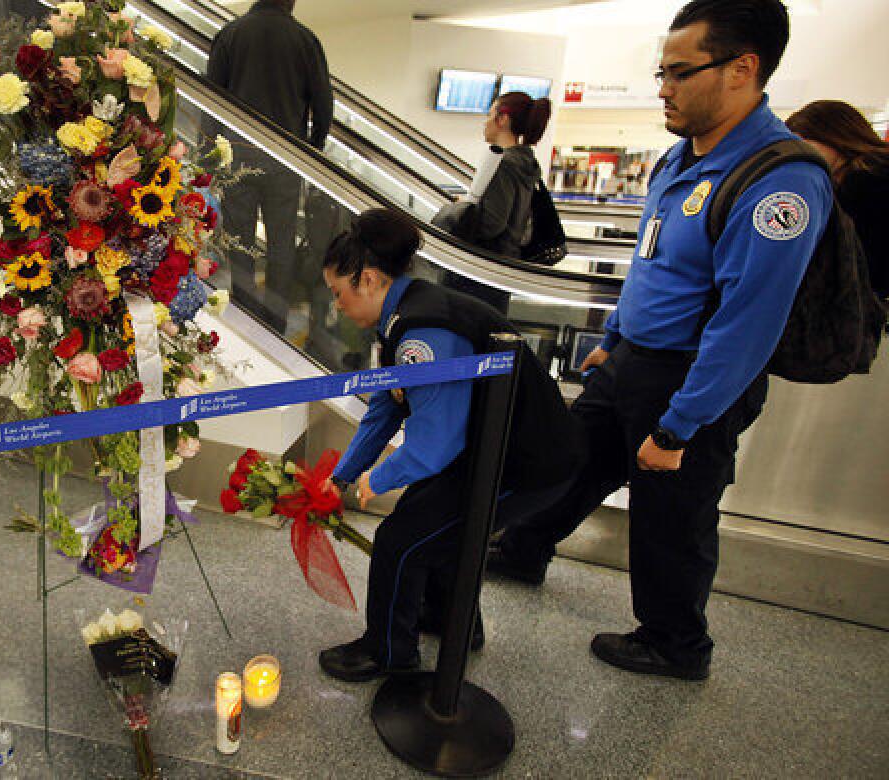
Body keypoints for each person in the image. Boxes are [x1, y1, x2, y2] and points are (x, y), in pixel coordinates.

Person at [484, 0, 832, 681]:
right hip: (630, 362)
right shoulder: (679, 159)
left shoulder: (780, 181)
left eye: (679, 72)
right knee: (569, 460)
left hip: (691, 379)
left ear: (742, 69)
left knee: (671, 515)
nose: (663, 87)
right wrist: (613, 339)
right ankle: (524, 548)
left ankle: (675, 643)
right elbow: (653, 263)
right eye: (661, 71)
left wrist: (678, 429)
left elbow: (747, 324)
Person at [315, 208, 583, 682]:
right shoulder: (406, 313)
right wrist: (340, 476)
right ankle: (449, 618)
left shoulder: (423, 333)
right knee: (429, 521)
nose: (337, 306)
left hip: (527, 464)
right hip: (498, 447)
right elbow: (386, 406)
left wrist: (376, 478)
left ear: (370, 279)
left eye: (339, 293)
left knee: (401, 539)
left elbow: (434, 446)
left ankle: (388, 653)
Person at [206, 0, 333, 334]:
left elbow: (211, 98)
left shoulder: (230, 34)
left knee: (240, 239)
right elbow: (323, 106)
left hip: (238, 155)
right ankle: (276, 322)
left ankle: (244, 317)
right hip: (286, 159)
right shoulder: (305, 40)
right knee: (281, 243)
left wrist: (212, 153)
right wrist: (312, 151)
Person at [439, 91, 554, 311]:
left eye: (490, 114)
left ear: (503, 119)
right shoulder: (526, 163)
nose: (485, 121)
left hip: (479, 274)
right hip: (500, 271)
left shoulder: (504, 164)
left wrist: (462, 208)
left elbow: (492, 223)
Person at [786, 100, 889, 299]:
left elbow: (864, 260)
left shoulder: (865, 181)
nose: (799, 154)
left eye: (804, 144)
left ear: (834, 136)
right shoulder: (867, 172)